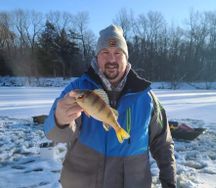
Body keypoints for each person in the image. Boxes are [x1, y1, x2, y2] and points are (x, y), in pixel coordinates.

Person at [44, 24, 176, 188]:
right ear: (97, 57)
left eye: (117, 53)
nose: (111, 59)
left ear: (126, 57)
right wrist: (60, 120)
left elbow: (163, 144)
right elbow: (54, 134)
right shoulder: (76, 90)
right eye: (105, 52)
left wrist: (169, 183)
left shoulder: (147, 98)